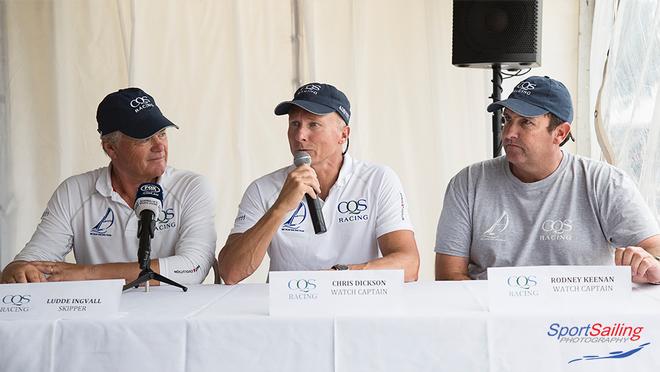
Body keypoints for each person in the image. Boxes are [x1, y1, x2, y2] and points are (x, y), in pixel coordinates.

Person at [435, 75, 660, 283]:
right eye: (507, 119)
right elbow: (449, 275)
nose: (509, 132)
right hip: (493, 319)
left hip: (578, 322)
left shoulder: (604, 182)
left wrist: (647, 261)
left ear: (560, 133)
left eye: (526, 122)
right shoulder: (468, 183)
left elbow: (655, 250)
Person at [1, 88, 217, 284]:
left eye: (162, 133)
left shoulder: (191, 187)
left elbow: (192, 268)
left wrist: (87, 273)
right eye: (144, 138)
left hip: (172, 321)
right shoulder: (74, 191)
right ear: (111, 148)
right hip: (96, 324)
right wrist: (19, 270)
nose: (159, 146)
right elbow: (33, 263)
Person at [218, 82, 419, 284]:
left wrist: (340, 277)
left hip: (357, 306)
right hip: (288, 311)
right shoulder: (262, 189)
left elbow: (409, 265)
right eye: (294, 124)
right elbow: (230, 273)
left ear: (344, 134)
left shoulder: (378, 180)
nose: (300, 136)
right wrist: (280, 207)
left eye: (313, 124)